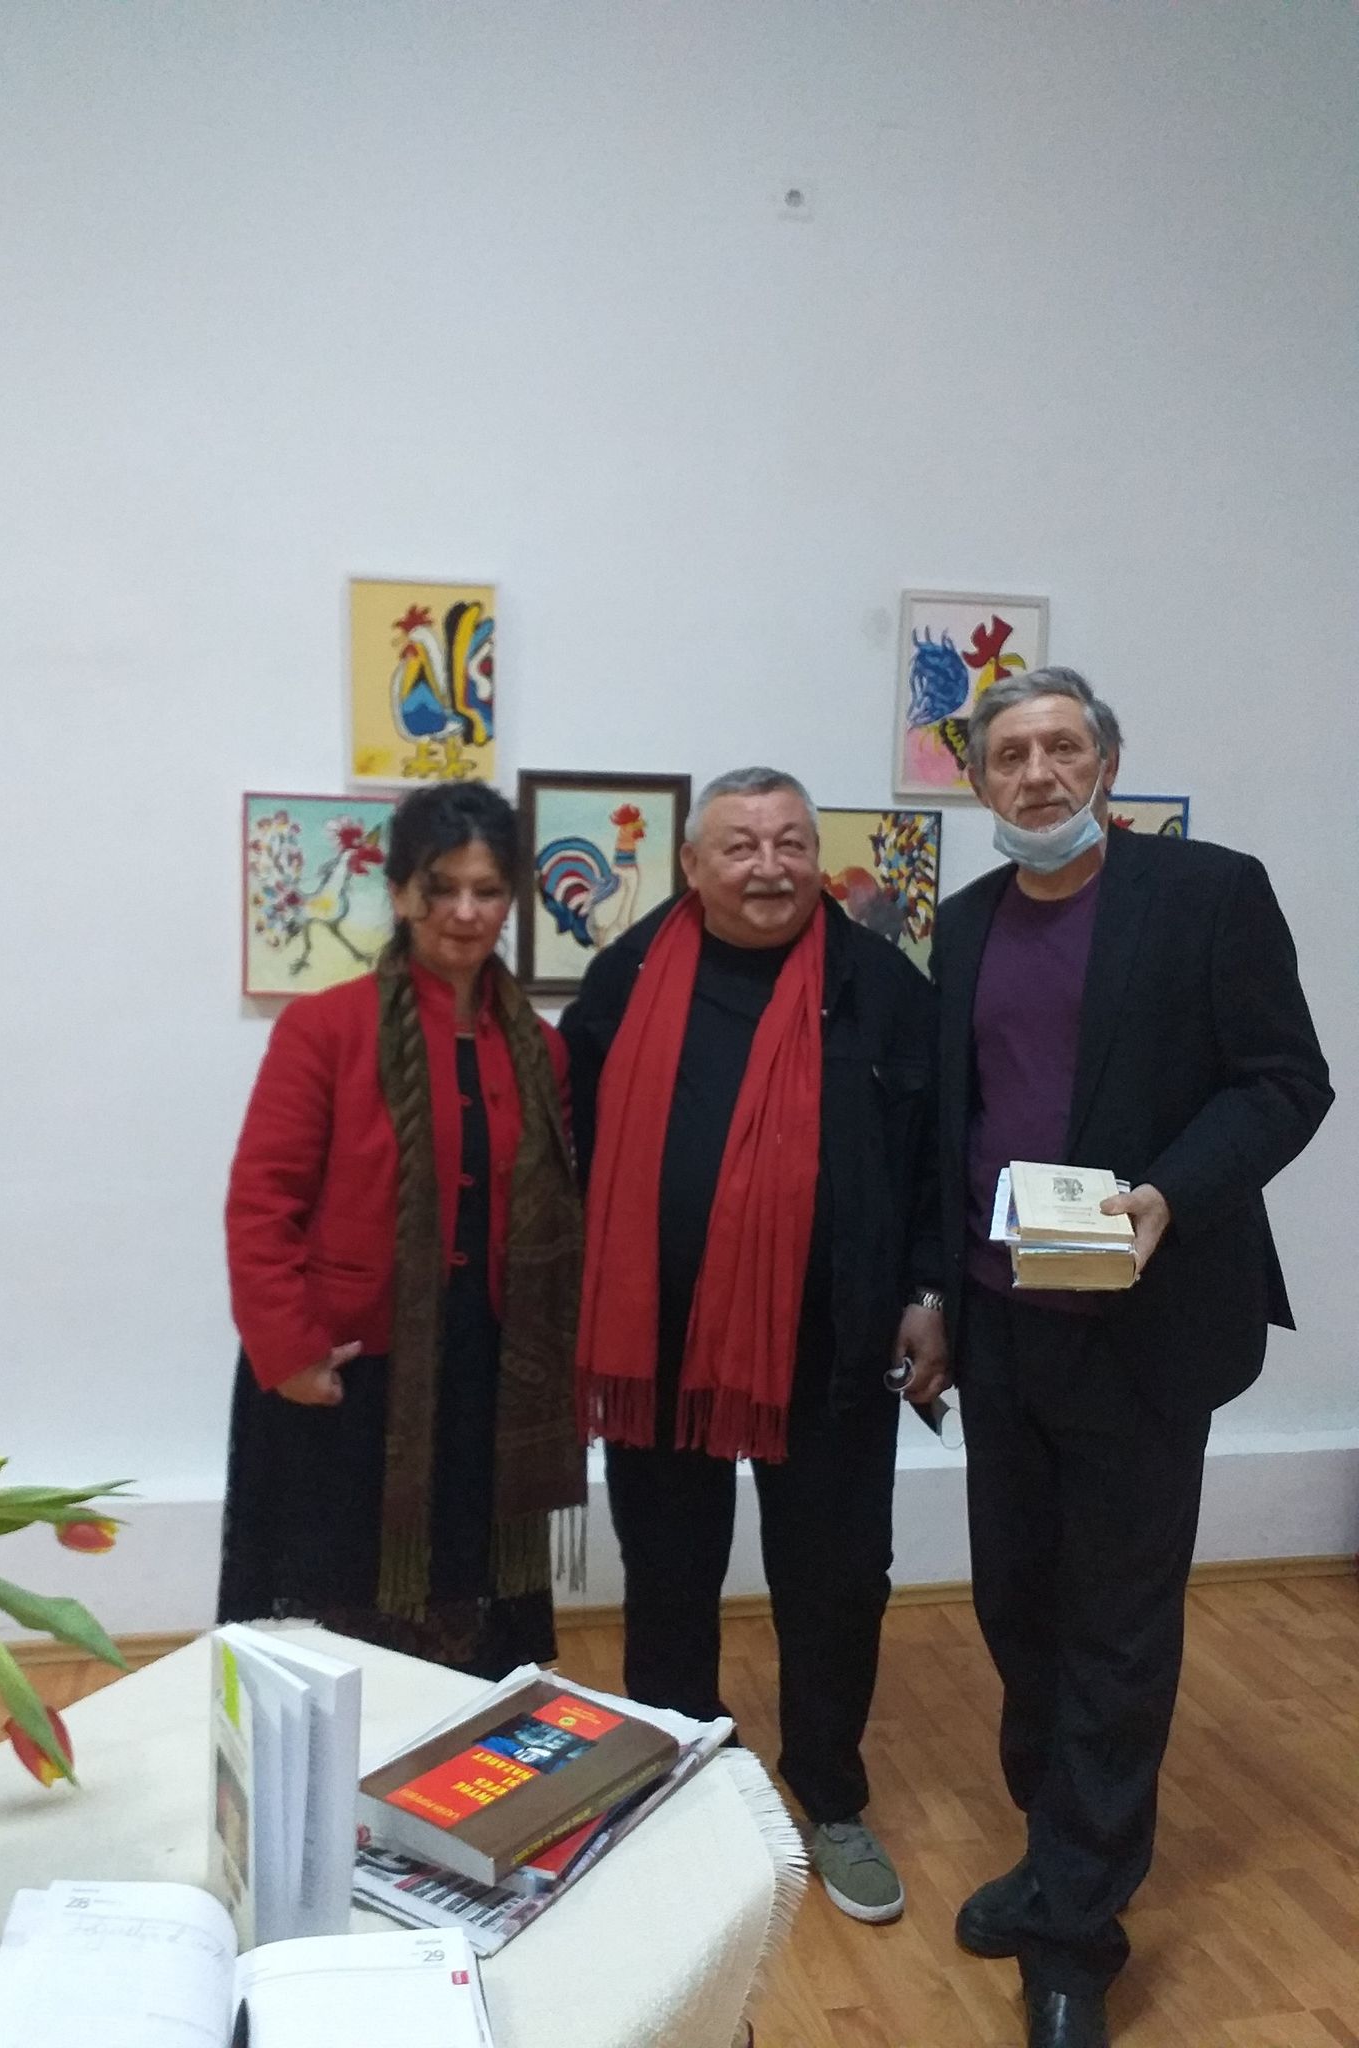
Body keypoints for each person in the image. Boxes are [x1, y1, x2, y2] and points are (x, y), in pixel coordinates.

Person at [933, 669, 1332, 2048]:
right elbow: (955, 1120)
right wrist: (934, 1297)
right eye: (1009, 755)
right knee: (1017, 1610)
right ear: (978, 781)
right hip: (1002, 1326)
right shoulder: (964, 923)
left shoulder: (1209, 894)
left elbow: (1285, 1082)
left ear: (1107, 760)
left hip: (1145, 1333)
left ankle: (1073, 1937)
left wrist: (1169, 1193)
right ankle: (1059, 1852)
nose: (1037, 773)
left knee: (1114, 1629)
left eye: (1062, 747)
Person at [561, 766, 946, 1923]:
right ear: (692, 863)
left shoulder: (881, 984)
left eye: (790, 841)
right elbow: (566, 1144)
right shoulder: (628, 975)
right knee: (669, 1571)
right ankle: (673, 1782)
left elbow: (938, 1155)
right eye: (740, 844)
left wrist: (930, 1291)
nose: (769, 865)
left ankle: (830, 1793)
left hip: (834, 1345)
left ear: (816, 856)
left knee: (837, 1579)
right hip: (660, 1347)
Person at [218, 781, 583, 1679]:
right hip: (349, 1375)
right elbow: (262, 1202)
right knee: (337, 1617)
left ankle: (454, 1753)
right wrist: (287, 1351)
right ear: (399, 890)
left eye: (486, 890)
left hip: (489, 1375)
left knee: (467, 1613)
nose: (464, 912)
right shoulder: (324, 1029)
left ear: (511, 900)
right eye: (440, 887)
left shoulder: (538, 1048)